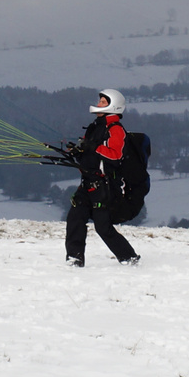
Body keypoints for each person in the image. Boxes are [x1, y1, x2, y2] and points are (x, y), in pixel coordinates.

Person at [65, 89, 139, 267]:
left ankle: (129, 258)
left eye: (103, 102)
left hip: (104, 187)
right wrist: (78, 151)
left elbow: (115, 155)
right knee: (75, 218)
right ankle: (74, 259)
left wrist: (92, 147)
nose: (98, 104)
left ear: (113, 106)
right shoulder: (94, 127)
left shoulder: (116, 130)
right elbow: (89, 155)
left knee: (102, 227)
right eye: (99, 101)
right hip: (87, 184)